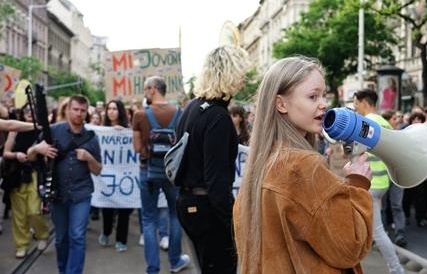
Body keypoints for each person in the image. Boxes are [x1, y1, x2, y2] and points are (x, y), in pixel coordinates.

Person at [234, 57, 373, 274]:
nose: (323, 104)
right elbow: (349, 246)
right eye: (312, 96)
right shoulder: (302, 166)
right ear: (281, 104)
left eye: (324, 95)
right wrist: (357, 185)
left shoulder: (260, 166)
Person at [174, 46, 250, 274]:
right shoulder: (218, 117)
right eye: (241, 72)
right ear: (230, 73)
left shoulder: (193, 108)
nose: (245, 78)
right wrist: (234, 223)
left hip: (189, 203)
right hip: (207, 209)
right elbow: (216, 182)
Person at [27, 95, 102, 274]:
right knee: (61, 239)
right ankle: (63, 270)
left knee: (77, 236)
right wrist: (38, 149)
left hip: (81, 194)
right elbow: (30, 154)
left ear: (87, 113)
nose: (79, 113)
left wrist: (89, 157)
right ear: (67, 110)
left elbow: (98, 170)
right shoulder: (52, 131)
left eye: (83, 110)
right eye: (75, 109)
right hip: (57, 193)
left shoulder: (91, 137)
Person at [132, 76, 189, 274]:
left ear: (154, 89)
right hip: (172, 173)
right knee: (175, 215)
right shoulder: (180, 113)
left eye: (146, 88)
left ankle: (153, 269)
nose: (145, 92)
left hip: (147, 171)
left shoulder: (140, 115)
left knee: (149, 220)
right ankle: (175, 261)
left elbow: (138, 147)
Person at [354, 88, 405, 274]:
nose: (355, 107)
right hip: (382, 183)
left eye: (356, 103)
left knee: (377, 231)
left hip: (370, 183)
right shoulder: (384, 122)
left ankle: (396, 269)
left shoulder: (366, 123)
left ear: (364, 102)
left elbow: (357, 150)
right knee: (365, 226)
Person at [2, 105, 49, 258]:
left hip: (35, 173)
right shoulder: (15, 129)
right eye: (27, 111)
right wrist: (16, 155)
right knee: (19, 214)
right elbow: (6, 153)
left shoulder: (41, 131)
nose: (30, 113)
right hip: (16, 175)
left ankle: (42, 235)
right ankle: (21, 245)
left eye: (34, 111)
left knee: (34, 210)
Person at [97, 100, 134, 252]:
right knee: (107, 208)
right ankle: (106, 232)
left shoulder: (128, 130)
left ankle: (121, 239)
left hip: (125, 175)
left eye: (115, 108)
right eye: (109, 109)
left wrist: (124, 132)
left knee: (124, 209)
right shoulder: (101, 130)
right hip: (107, 176)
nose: (111, 111)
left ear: (120, 111)